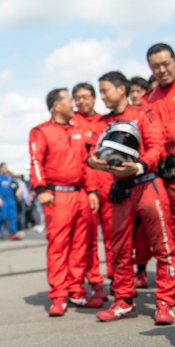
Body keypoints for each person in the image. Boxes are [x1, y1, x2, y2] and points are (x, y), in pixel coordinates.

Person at [88, 71, 175, 324]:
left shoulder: (144, 114)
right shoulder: (101, 122)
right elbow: (92, 154)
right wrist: (99, 164)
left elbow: (157, 146)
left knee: (164, 247)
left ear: (121, 89)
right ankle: (123, 300)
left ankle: (166, 302)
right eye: (101, 92)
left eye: (105, 91)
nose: (101, 96)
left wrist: (138, 167)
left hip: (148, 184)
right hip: (120, 190)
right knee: (119, 250)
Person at [29, 88, 103, 316]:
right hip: (57, 196)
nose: (74, 104)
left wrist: (91, 191)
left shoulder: (78, 130)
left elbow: (87, 163)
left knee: (80, 245)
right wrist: (40, 188)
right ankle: (59, 295)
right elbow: (35, 160)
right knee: (59, 245)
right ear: (56, 106)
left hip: (80, 194)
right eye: (69, 100)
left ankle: (76, 289)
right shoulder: (41, 131)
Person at [72, 82, 113, 295]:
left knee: (113, 236)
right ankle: (95, 280)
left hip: (109, 184)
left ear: (94, 98)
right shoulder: (71, 124)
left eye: (86, 96)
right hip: (88, 189)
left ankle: (117, 278)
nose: (82, 101)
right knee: (88, 239)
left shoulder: (105, 122)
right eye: (78, 97)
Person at [139, 43, 175, 289]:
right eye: (155, 66)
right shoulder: (146, 101)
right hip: (163, 176)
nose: (161, 70)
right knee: (167, 235)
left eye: (166, 64)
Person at [0, 163, 22, 240]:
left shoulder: (9, 178)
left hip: (10, 199)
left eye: (6, 168)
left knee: (13, 216)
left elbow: (14, 187)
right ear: (0, 169)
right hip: (2, 199)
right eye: (4, 168)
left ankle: (13, 233)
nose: (6, 169)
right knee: (3, 216)